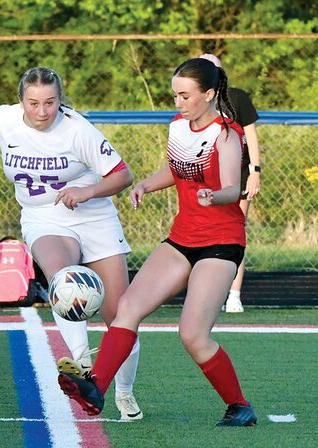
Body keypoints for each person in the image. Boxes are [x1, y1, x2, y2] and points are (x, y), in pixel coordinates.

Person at [0, 67, 144, 420]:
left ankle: (124, 393)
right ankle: (81, 363)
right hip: (44, 216)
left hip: (93, 215)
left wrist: (87, 190)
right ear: (21, 102)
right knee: (63, 279)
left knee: (121, 316)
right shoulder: (6, 119)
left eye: (50, 103)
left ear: (60, 101)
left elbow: (123, 175)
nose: (42, 111)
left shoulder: (77, 129)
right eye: (33, 103)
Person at [56, 58, 257, 427]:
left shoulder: (226, 134)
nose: (178, 102)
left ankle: (240, 406)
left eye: (185, 95)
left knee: (193, 335)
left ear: (209, 95)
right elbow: (178, 168)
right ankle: (96, 387)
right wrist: (147, 183)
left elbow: (232, 185)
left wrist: (216, 196)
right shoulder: (178, 126)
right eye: (175, 95)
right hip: (182, 237)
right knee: (128, 307)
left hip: (221, 242)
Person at [199, 53, 261, 313]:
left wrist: (255, 170)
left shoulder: (237, 98)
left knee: (234, 233)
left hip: (237, 176)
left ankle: (234, 294)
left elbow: (251, 136)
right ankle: (205, 294)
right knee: (202, 234)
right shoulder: (197, 102)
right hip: (205, 177)